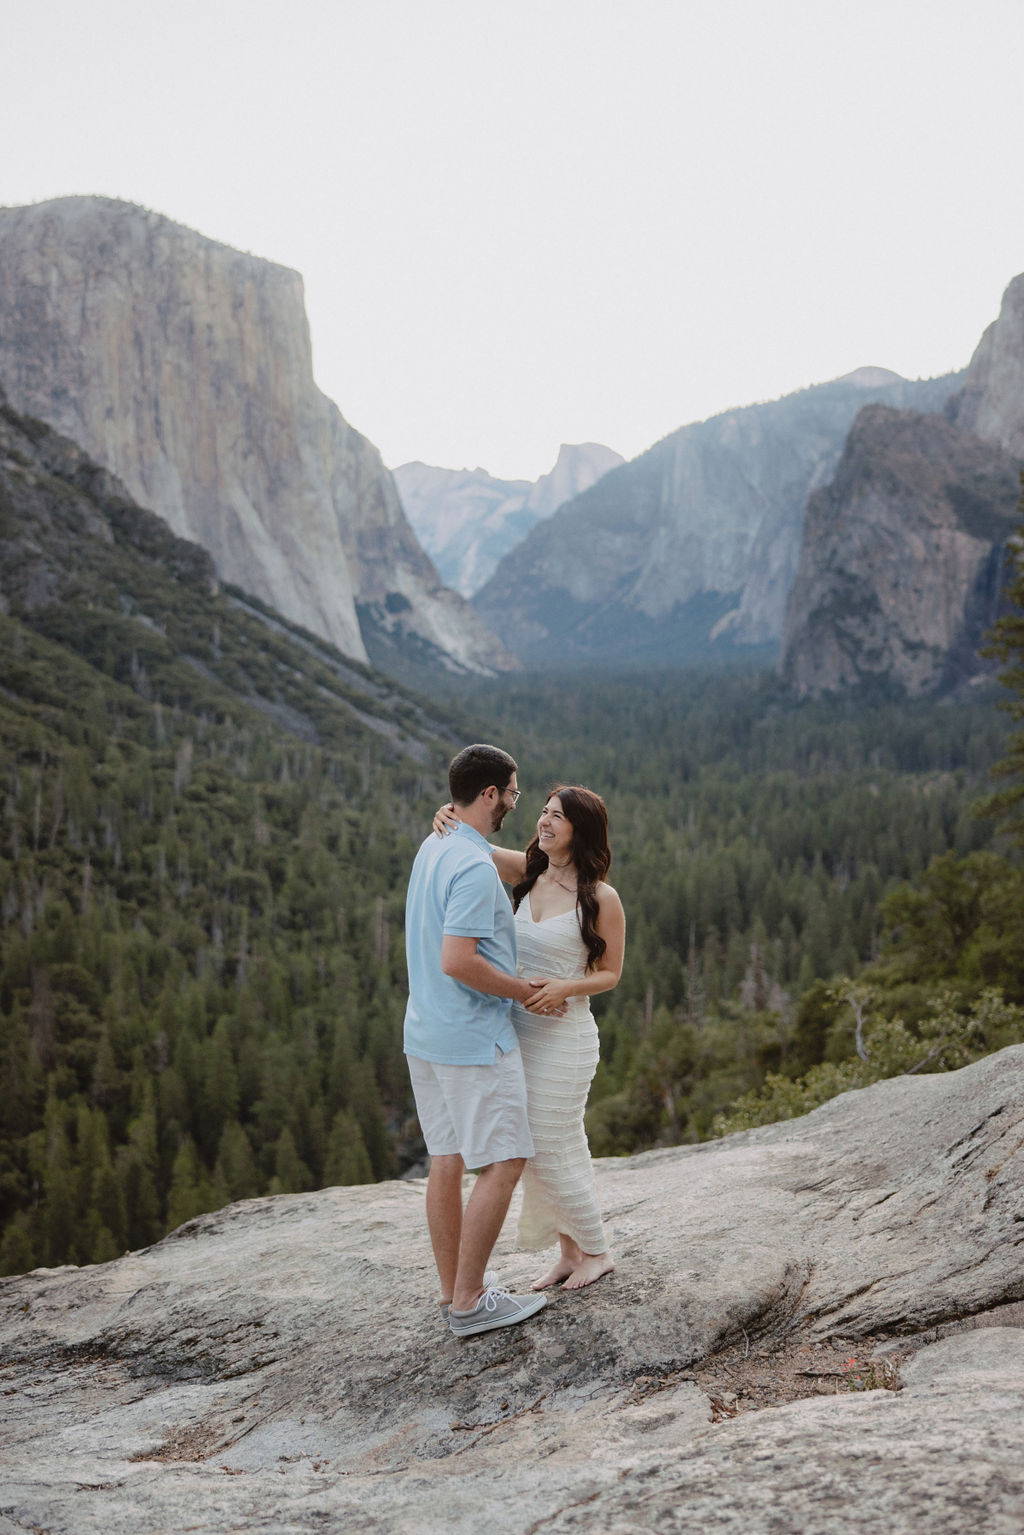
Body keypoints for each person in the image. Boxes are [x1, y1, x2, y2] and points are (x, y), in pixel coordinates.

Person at [434, 784, 625, 1291]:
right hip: (520, 1030)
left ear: (580, 831)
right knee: (550, 1144)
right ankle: (569, 1252)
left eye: (557, 817)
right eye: (543, 812)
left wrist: (568, 984)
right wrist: (446, 813)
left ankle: (597, 1250)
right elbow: (468, 840)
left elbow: (611, 974)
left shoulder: (600, 897)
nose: (544, 822)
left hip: (566, 1039)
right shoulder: (529, 869)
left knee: (547, 1144)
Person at [404, 743, 552, 1337]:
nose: (516, 803)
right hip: (472, 1037)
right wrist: (524, 991)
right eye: (513, 794)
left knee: (447, 1158)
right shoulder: (468, 864)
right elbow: (457, 960)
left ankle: (452, 1294)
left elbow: (521, 867)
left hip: (426, 1033)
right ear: (489, 794)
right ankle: (470, 1302)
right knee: (506, 1158)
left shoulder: (439, 844)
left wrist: (567, 847)